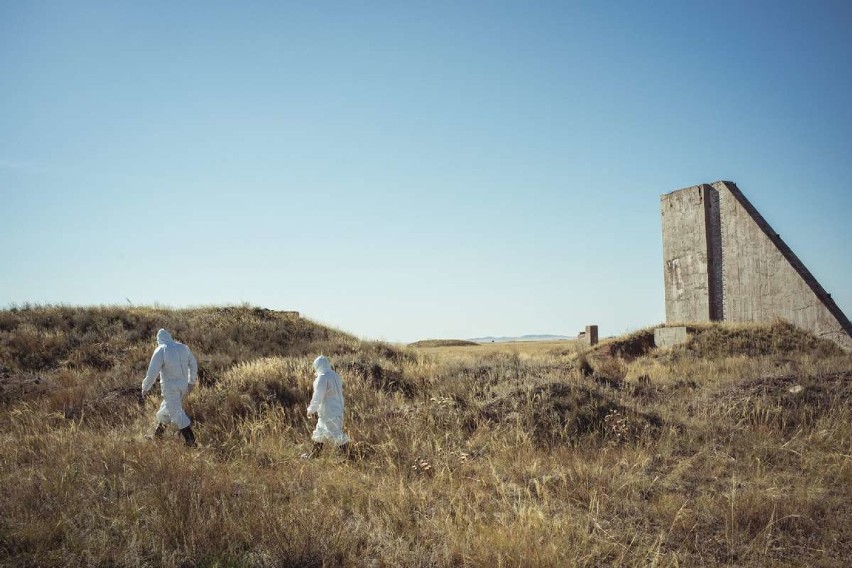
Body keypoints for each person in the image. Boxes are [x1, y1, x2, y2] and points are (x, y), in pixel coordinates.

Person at [141, 328, 198, 447]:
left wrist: (145, 387)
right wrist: (191, 381)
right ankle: (157, 436)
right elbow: (193, 363)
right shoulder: (183, 347)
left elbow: (152, 372)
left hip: (170, 387)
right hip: (183, 387)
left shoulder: (161, 349)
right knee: (166, 410)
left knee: (176, 413)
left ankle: (191, 441)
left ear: (159, 340)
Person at [301, 355, 350, 458]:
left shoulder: (322, 377)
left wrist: (310, 409)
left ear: (317, 366)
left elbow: (317, 396)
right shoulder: (335, 376)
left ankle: (348, 456)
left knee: (335, 434)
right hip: (336, 410)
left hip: (329, 411)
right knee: (320, 432)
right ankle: (314, 454)